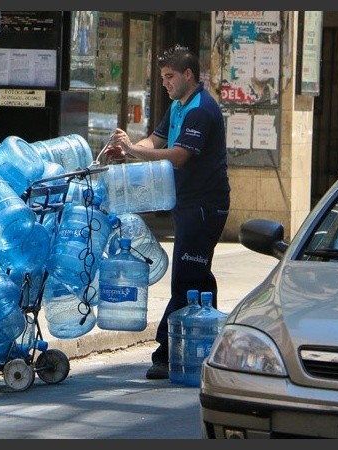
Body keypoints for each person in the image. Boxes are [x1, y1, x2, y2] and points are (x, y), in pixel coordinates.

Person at [105, 44, 230, 379]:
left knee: (186, 277)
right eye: (163, 77)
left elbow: (179, 156)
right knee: (198, 276)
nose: (166, 83)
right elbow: (155, 141)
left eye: (170, 76)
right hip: (184, 203)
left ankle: (165, 354)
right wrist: (128, 150)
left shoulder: (201, 110)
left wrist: (134, 151)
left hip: (205, 206)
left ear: (188, 75)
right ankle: (208, 347)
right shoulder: (178, 106)